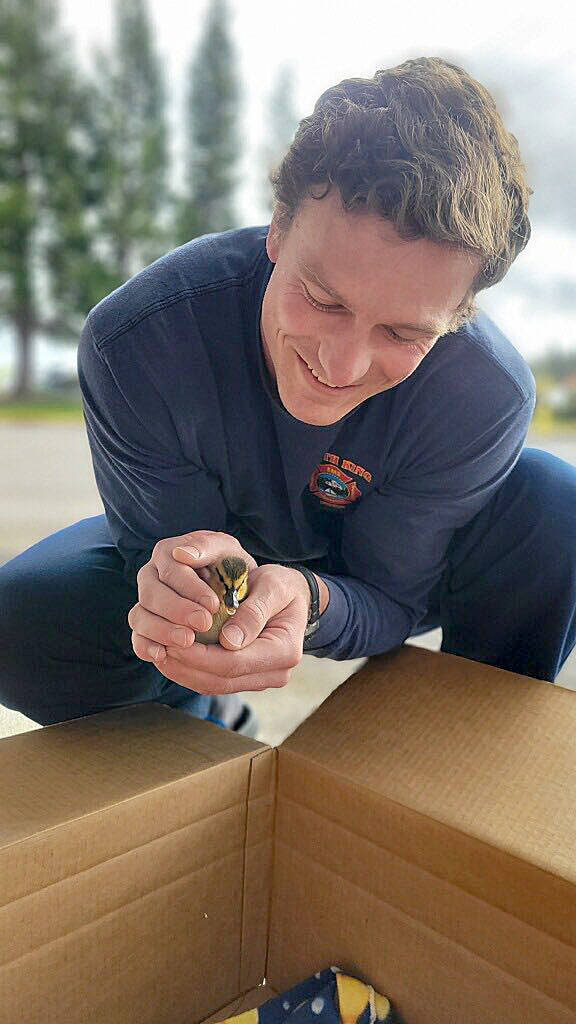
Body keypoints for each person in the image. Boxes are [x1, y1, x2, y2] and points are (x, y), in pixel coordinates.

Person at [1, 56, 575, 735]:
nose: (342, 363)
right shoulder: (140, 340)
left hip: (390, 568)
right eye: (323, 299)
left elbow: (389, 600)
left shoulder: (485, 394)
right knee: (20, 620)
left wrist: (310, 596)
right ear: (278, 226)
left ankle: (452, 771)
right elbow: (162, 561)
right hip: (227, 547)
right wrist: (188, 596)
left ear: (459, 314)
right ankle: (209, 730)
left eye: (402, 331)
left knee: (552, 506)